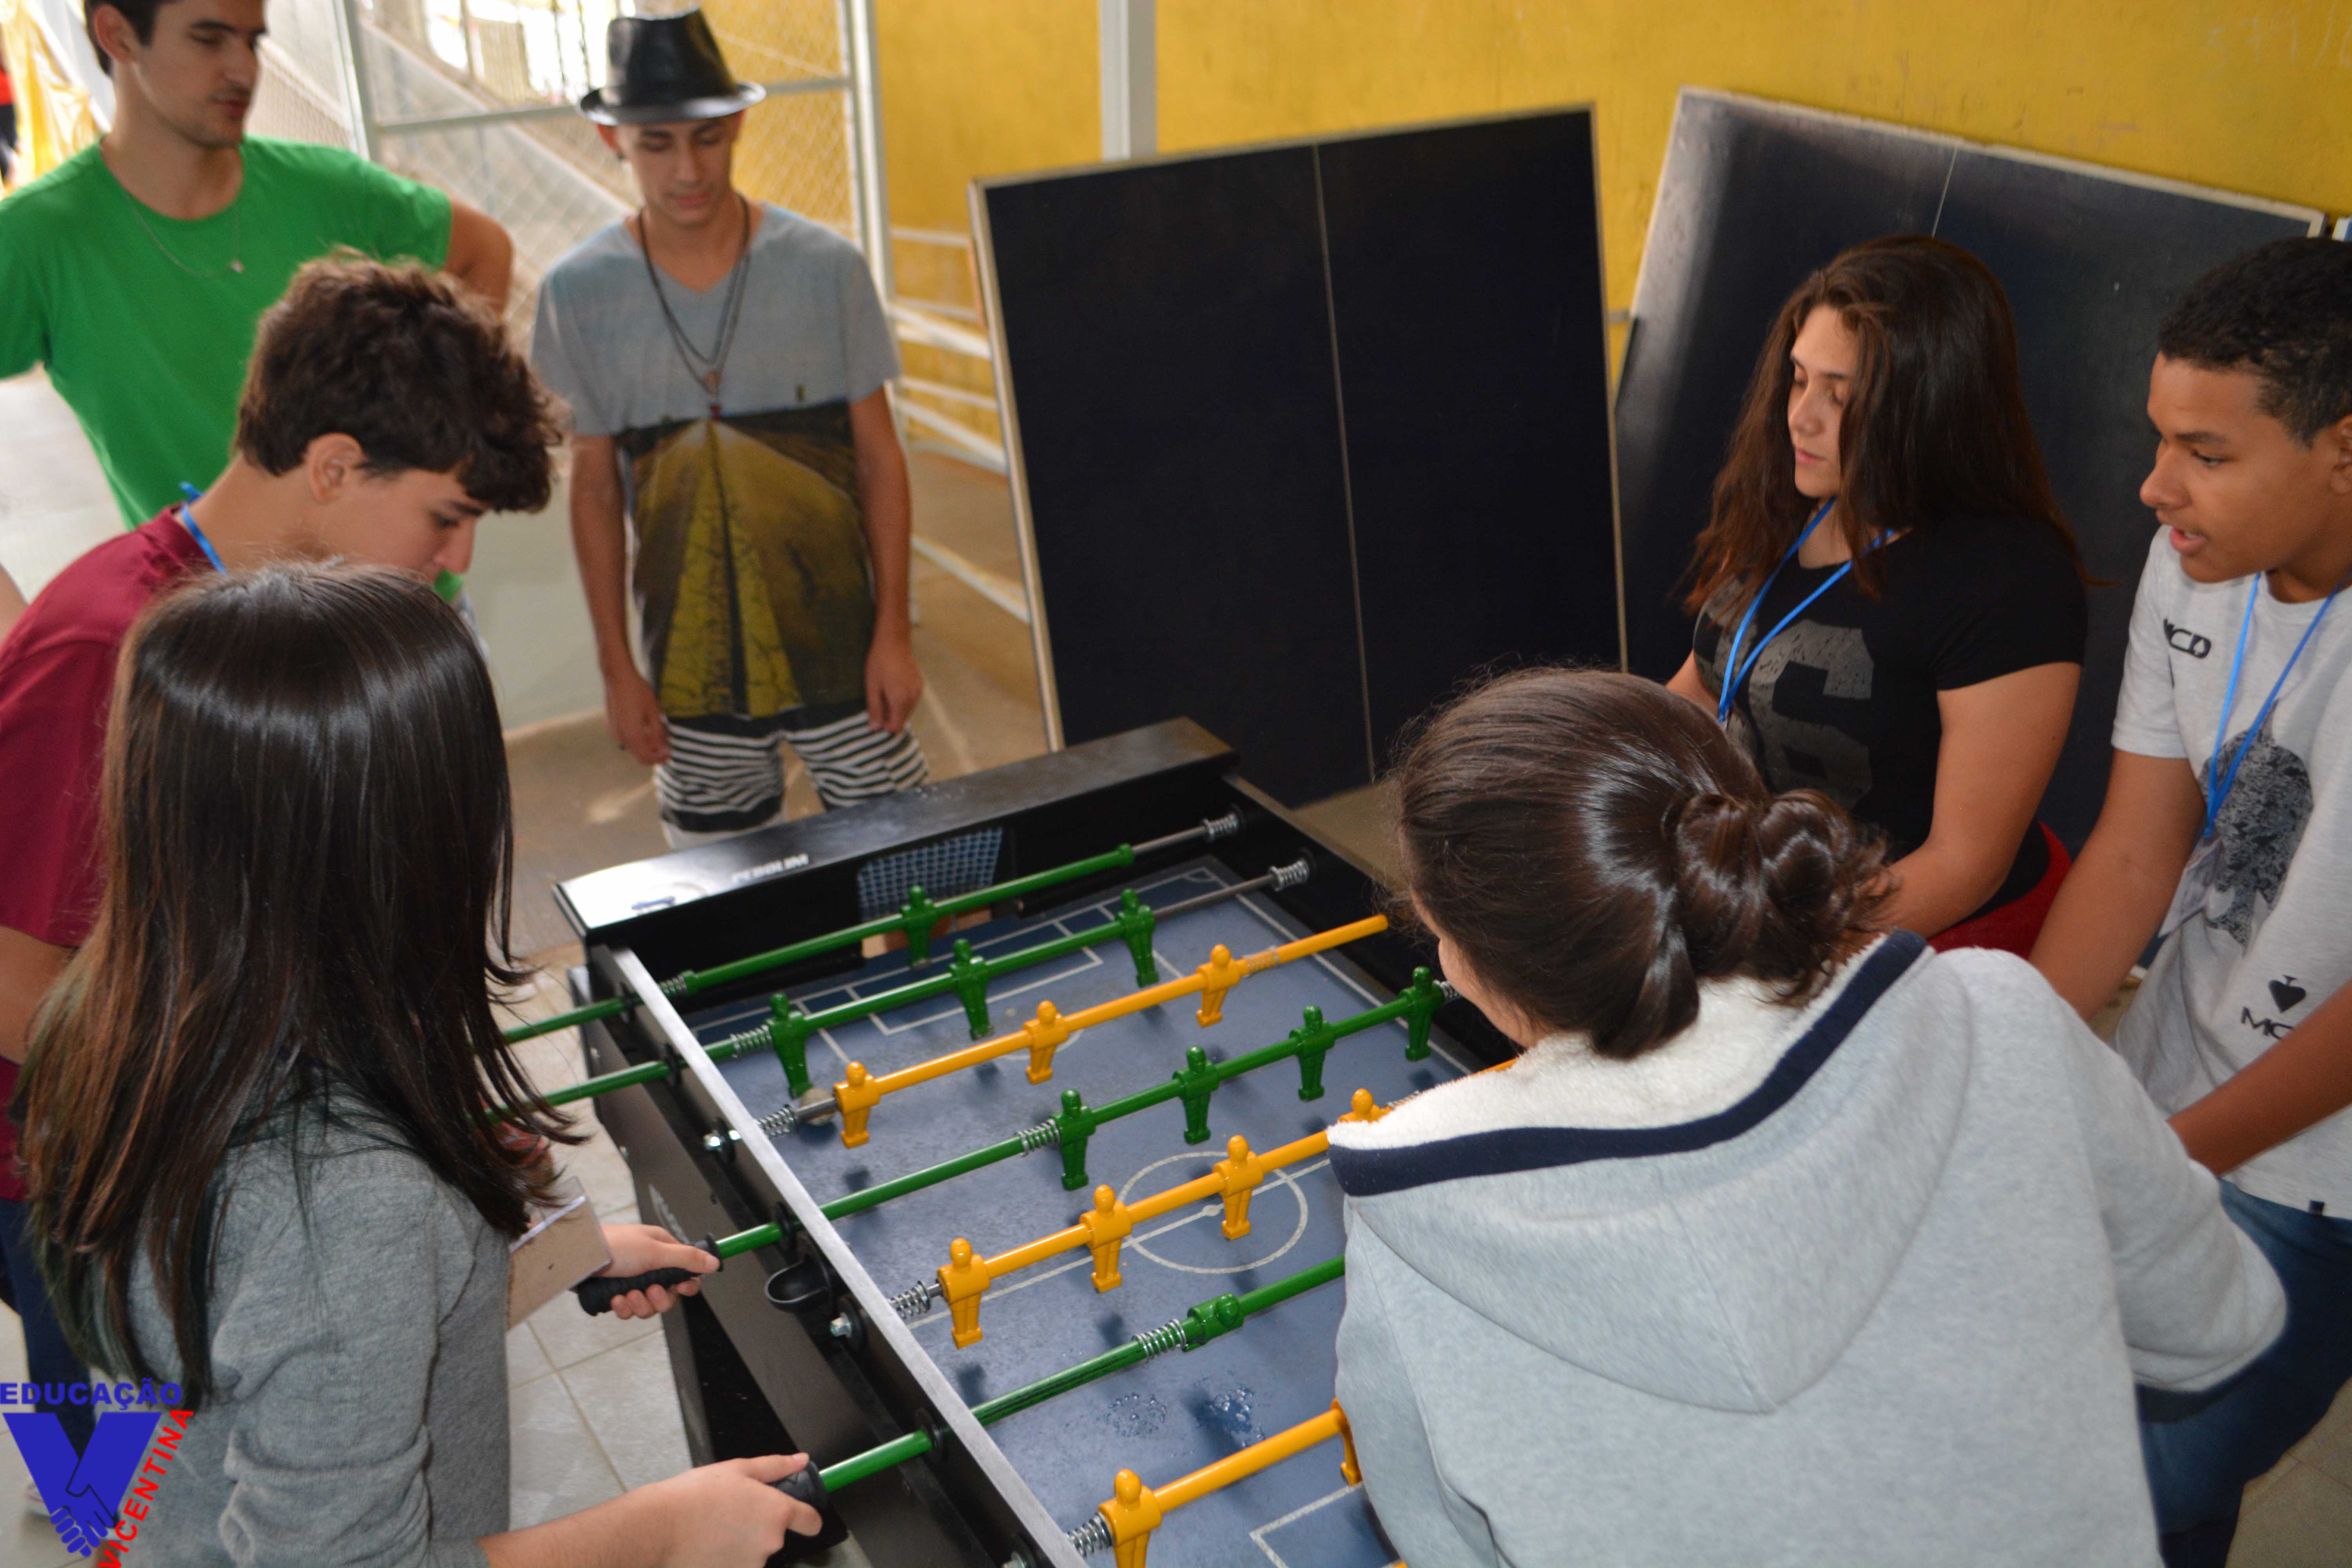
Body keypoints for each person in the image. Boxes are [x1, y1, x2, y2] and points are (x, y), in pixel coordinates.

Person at [1328, 668, 2283, 1567]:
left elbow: (1437, 1531)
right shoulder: (1998, 1018)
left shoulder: (1417, 1215)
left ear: (1473, 959)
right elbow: (2218, 1323)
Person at [18, 563, 821, 1564]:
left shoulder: (122, 1012)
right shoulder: (348, 1198)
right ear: (395, 847)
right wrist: (659, 1530)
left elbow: (267, 1318)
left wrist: (540, 1259)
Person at [0, 256, 554, 1489]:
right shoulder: (107, 647)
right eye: (446, 517)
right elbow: (9, 970)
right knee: (125, 1502)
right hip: (72, 1185)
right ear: (336, 466)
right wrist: (282, 1106)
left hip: (216, 1147)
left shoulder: (275, 630)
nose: (457, 558)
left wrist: (407, 1101)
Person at [2031, 237, 2352, 1567]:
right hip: (2171, 1078)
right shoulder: (2193, 563)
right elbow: (2136, 849)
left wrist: (2163, 1163)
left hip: (2322, 1170)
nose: (2156, 487)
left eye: (2207, 453)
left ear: (2344, 450)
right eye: (2160, 439)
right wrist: (2018, 1057)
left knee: (2130, 1484)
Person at [531, 9, 927, 847]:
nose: (688, 169)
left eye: (707, 139)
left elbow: (879, 459)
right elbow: (594, 487)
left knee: (909, 865)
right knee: (723, 891)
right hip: (688, 669)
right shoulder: (576, 292)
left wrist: (894, 631)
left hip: (845, 654)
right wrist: (618, 670)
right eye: (657, 144)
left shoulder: (828, 268)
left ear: (740, 123)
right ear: (612, 140)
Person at [1665, 234, 2088, 953]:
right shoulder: (1794, 503)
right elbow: (1702, 693)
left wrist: (1775, 956)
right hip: (1770, 895)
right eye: (1799, 380)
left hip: (1920, 937)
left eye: (1840, 396)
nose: (1801, 417)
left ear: (1929, 408)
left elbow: (1965, 866)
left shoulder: (2009, 578)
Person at [0, 0, 511, 535]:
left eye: (253, 42)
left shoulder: (328, 191)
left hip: (396, 586)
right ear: (118, 35)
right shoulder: (40, 238)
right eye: (209, 40)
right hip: (206, 587)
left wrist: (442, 457)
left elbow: (484, 250)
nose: (244, 71)